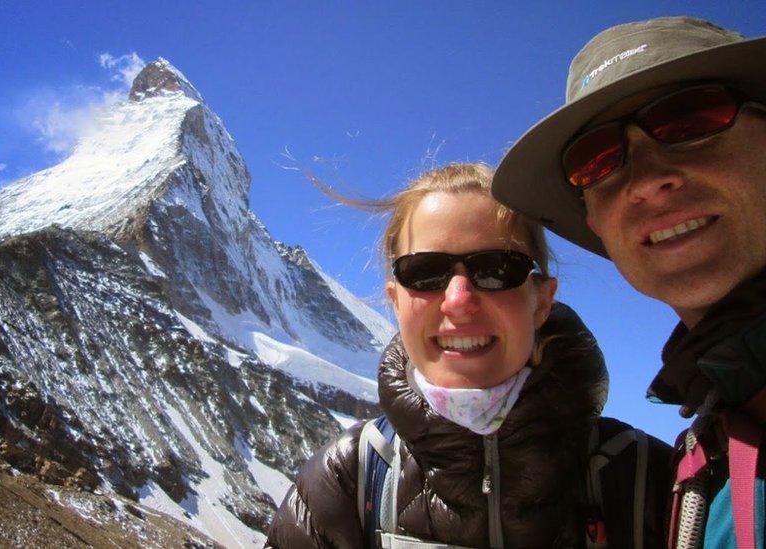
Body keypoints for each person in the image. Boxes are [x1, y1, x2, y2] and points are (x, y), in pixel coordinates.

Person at [266, 163, 671, 548]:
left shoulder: (647, 480)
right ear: (396, 301)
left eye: (496, 269)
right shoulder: (347, 480)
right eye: (424, 272)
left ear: (542, 301)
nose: (458, 301)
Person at [491, 16, 766, 548]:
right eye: (595, 162)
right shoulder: (715, 435)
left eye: (691, 121)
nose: (645, 179)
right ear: (592, 218)